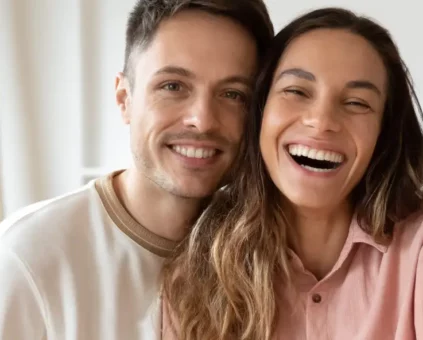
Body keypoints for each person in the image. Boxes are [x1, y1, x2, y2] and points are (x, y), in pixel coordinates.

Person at [0, 0, 273, 339]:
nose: (202, 120)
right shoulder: (26, 257)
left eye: (233, 94)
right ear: (124, 99)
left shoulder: (269, 258)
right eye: (173, 86)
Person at [163, 7, 423, 340]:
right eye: (296, 91)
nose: (322, 121)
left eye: (357, 102)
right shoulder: (197, 268)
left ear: (383, 132)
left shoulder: (414, 253)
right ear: (260, 110)